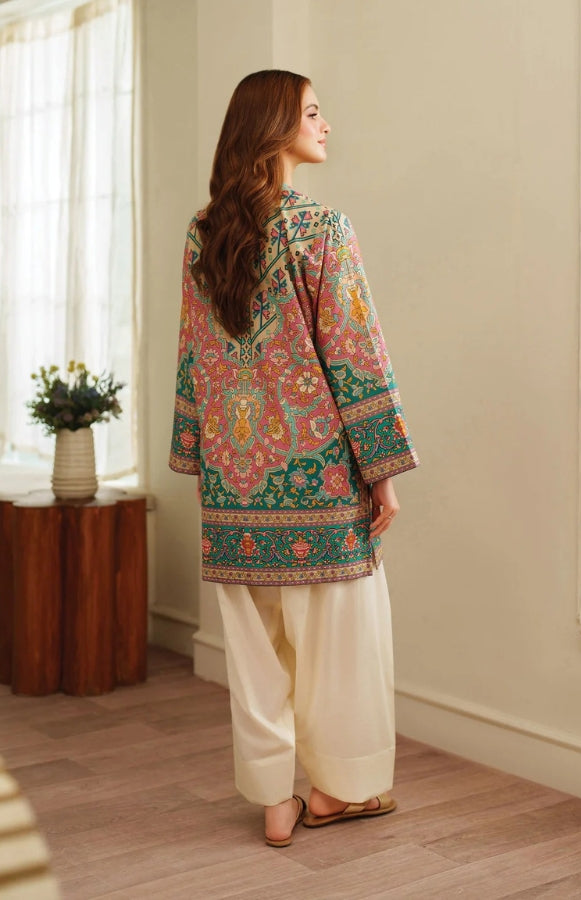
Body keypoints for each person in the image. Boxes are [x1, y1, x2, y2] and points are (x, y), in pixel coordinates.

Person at [169, 69, 419, 847]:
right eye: (312, 112)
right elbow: (356, 356)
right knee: (339, 651)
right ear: (274, 127)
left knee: (255, 657)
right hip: (319, 480)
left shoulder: (202, 232)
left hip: (236, 485)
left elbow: (193, 358)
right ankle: (336, 792)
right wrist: (382, 473)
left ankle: (275, 803)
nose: (325, 124)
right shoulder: (322, 229)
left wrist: (196, 457)